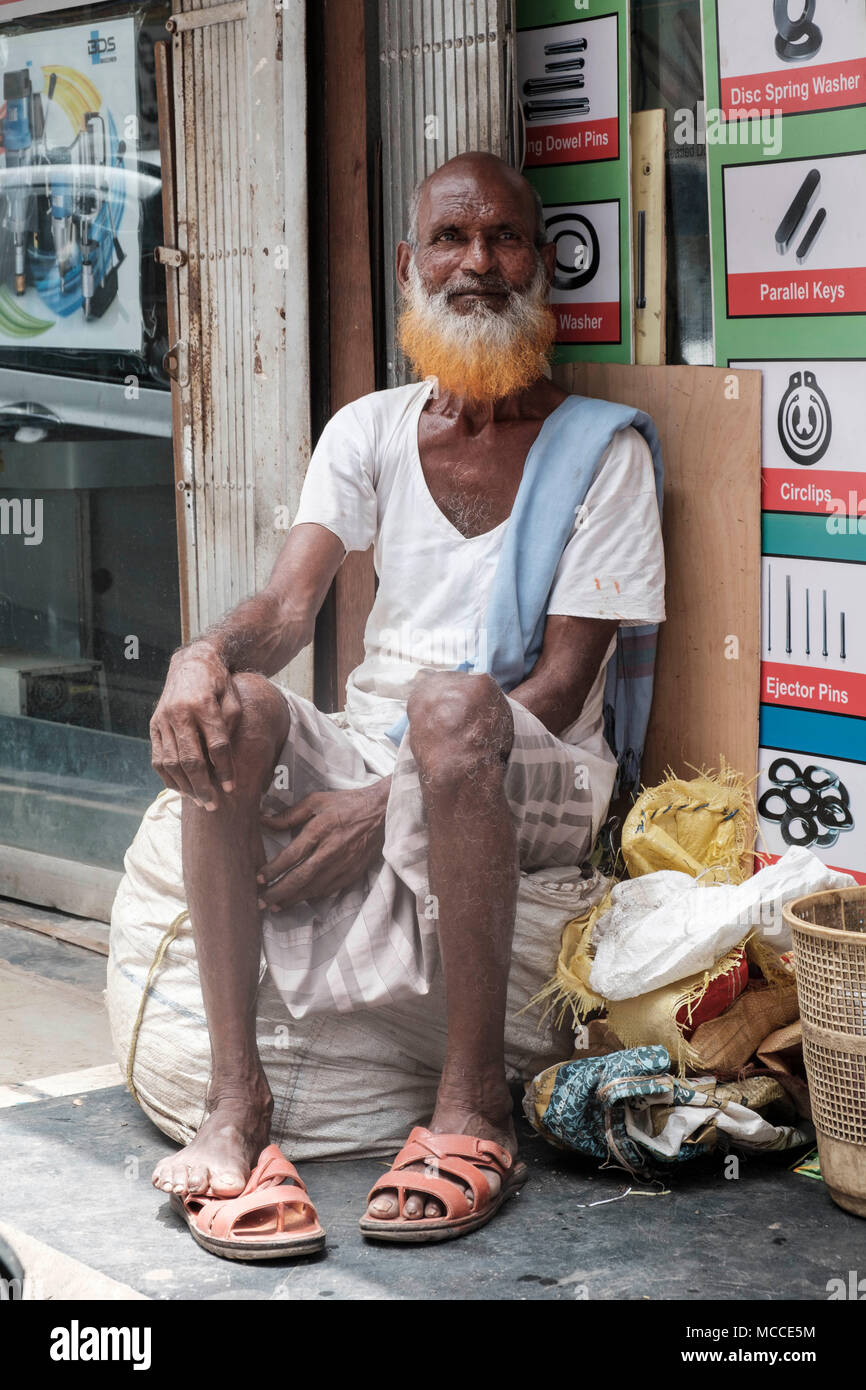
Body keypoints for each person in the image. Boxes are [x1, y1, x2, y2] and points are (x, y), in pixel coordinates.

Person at [147, 150, 665, 1245]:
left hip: (529, 758)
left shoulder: (600, 453)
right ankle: (237, 1103)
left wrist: (387, 802)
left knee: (449, 707)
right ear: (406, 264)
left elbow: (563, 684)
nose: (477, 263)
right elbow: (289, 607)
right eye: (450, 238)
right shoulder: (370, 428)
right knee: (235, 706)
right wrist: (199, 656)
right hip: (391, 736)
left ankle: (471, 1111)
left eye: (504, 239)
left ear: (541, 264)